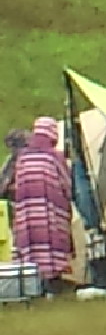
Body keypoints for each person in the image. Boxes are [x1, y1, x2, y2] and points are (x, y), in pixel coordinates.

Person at [0, 117, 73, 289]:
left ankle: (31, 281)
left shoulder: (22, 157)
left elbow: (12, 184)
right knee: (50, 243)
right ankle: (52, 280)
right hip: (50, 212)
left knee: (31, 244)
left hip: (26, 213)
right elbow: (66, 184)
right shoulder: (54, 156)